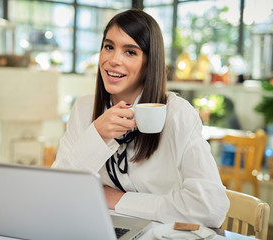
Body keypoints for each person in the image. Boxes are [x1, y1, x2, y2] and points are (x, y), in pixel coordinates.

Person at [52, 9, 229, 228]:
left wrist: (118, 200)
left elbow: (210, 208)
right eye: (109, 47)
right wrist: (96, 135)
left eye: (130, 52)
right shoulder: (84, 108)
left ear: (149, 63)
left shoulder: (177, 114)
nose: (113, 60)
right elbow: (57, 192)